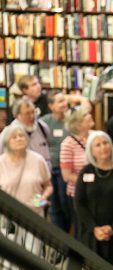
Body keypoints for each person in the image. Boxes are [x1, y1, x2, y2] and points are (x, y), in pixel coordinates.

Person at [0, 125, 52, 270]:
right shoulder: (1, 162)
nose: (19, 139)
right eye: (14, 137)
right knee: (11, 258)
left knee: (35, 255)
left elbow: (48, 186)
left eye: (21, 136)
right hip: (10, 219)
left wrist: (41, 199)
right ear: (7, 141)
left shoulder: (37, 159)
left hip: (34, 215)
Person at [75, 131, 113, 270]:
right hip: (92, 234)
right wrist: (94, 228)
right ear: (91, 151)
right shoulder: (86, 171)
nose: (103, 147)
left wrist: (112, 229)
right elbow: (79, 203)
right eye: (98, 145)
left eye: (106, 143)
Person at [60, 106, 95, 238]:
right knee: (82, 231)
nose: (90, 115)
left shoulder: (95, 136)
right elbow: (66, 176)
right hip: (78, 194)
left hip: (97, 193)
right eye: (86, 114)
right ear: (78, 123)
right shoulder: (68, 144)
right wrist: (89, 181)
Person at [40, 90, 70, 233]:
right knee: (54, 205)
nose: (64, 104)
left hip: (67, 170)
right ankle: (60, 236)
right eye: (60, 101)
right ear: (51, 106)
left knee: (66, 203)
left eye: (64, 100)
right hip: (50, 169)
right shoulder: (44, 122)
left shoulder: (71, 119)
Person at [0, 97, 51, 170]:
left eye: (33, 112)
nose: (32, 116)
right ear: (16, 115)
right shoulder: (7, 133)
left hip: (42, 175)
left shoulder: (43, 127)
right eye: (27, 113)